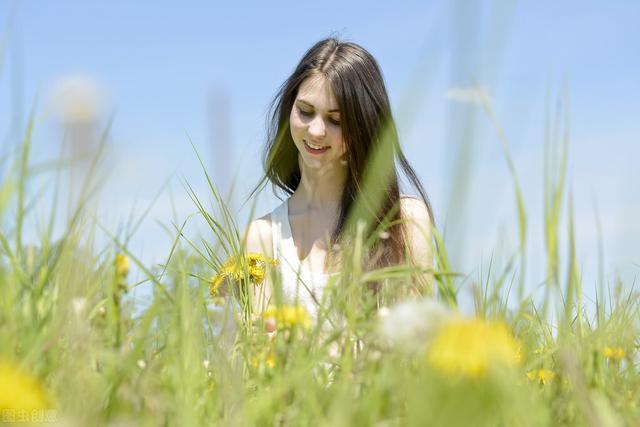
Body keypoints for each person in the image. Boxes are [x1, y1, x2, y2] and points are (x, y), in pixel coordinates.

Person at [244, 38, 435, 318]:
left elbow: (419, 343)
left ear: (364, 126)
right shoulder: (262, 236)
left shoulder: (405, 220)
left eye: (336, 120)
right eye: (305, 112)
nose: (316, 131)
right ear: (289, 110)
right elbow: (255, 353)